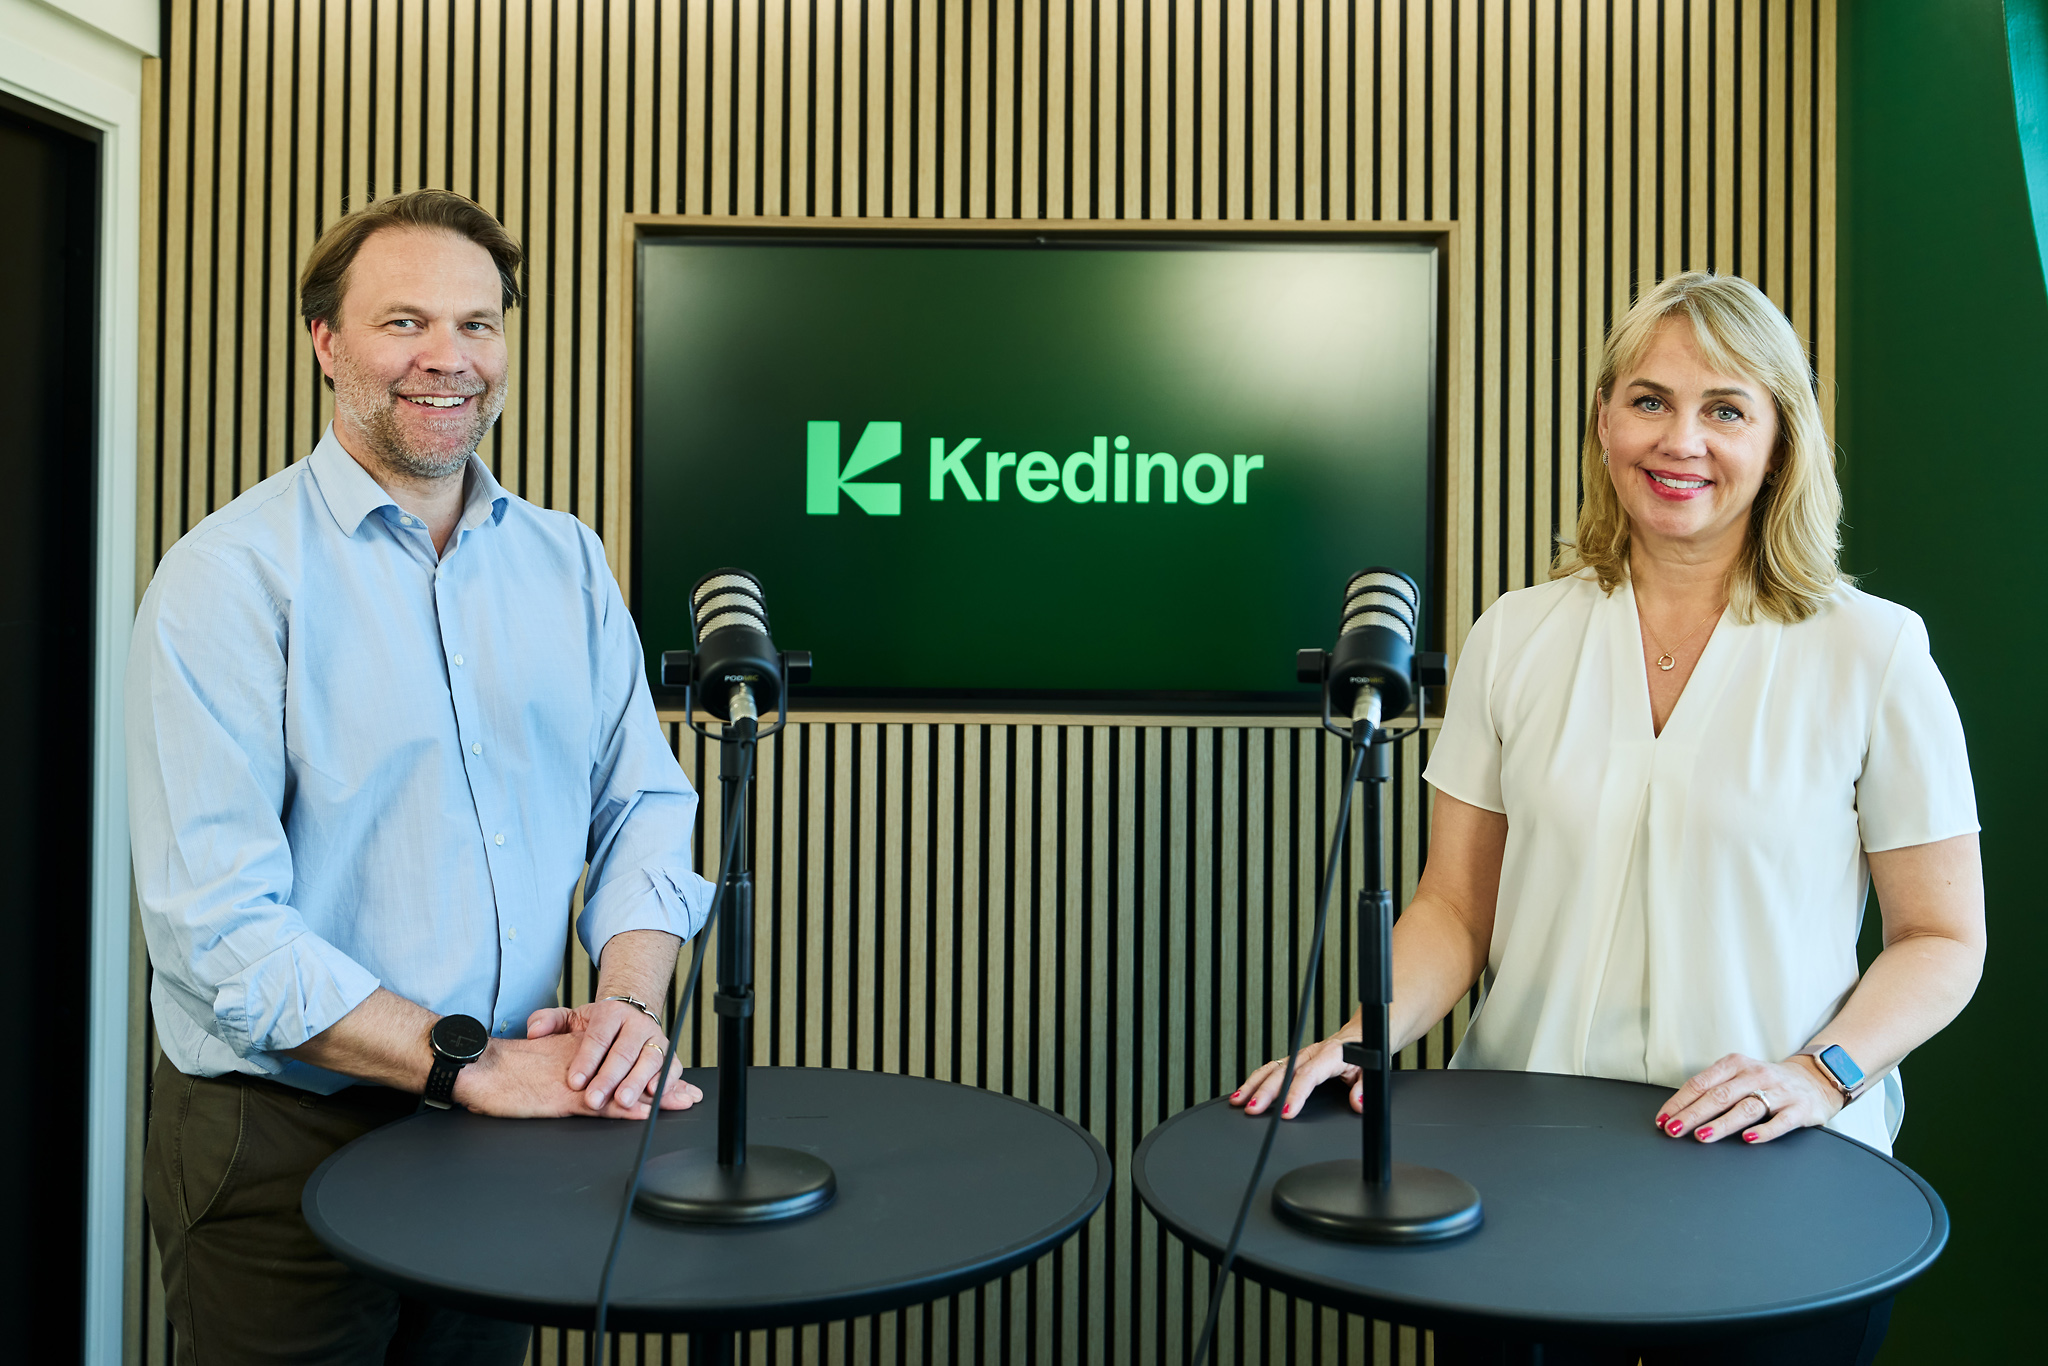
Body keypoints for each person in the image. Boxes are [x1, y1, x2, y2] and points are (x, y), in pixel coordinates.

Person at [1231, 272, 1984, 1365]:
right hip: (1522, 1172)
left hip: (1779, 1181)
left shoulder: (1872, 651)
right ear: (1602, 420)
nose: (1681, 440)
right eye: (1649, 400)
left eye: (1725, 409)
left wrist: (1818, 1074)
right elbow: (1454, 907)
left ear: (1779, 439)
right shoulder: (1515, 635)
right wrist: (1363, 1036)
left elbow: (1942, 938)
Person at [128, 190, 715, 1365]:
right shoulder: (228, 580)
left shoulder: (565, 561)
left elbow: (642, 806)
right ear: (325, 341)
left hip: (505, 1127)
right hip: (284, 1138)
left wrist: (629, 1006)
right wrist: (473, 1064)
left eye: (477, 324)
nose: (448, 358)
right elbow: (219, 931)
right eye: (404, 322)